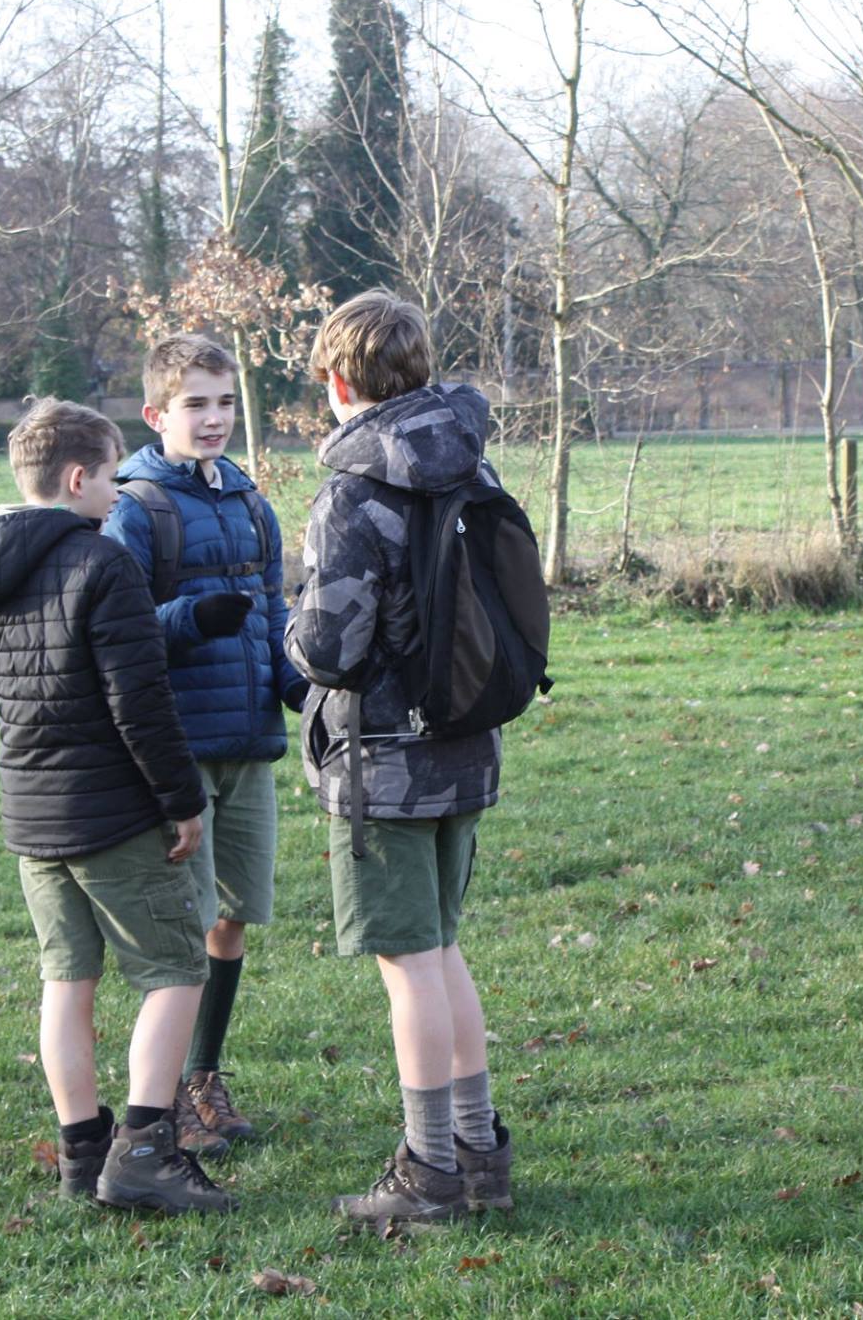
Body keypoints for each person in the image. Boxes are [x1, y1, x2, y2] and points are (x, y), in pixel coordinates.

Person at [0, 396, 231, 1213]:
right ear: (77, 476)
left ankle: (82, 1153)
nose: (117, 491)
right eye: (109, 475)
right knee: (176, 971)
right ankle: (144, 1151)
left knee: (66, 982)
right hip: (110, 809)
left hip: (31, 813)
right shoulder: (104, 566)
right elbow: (138, 702)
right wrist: (181, 799)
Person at [287, 290, 513, 1222]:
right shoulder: (474, 464)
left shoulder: (353, 492)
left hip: (381, 762)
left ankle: (428, 1172)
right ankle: (478, 1152)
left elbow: (330, 648)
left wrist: (290, 634)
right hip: (466, 740)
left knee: (408, 962)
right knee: (444, 950)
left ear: (339, 381)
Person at [102, 334, 307, 1157]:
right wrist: (190, 619)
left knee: (233, 921)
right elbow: (111, 633)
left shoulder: (254, 503)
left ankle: (203, 1077)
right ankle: (162, 1104)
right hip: (178, 750)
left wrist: (306, 690)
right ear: (157, 414)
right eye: (196, 403)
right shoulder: (136, 509)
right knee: (183, 934)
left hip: (249, 743)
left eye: (225, 401)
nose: (214, 417)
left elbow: (274, 620)